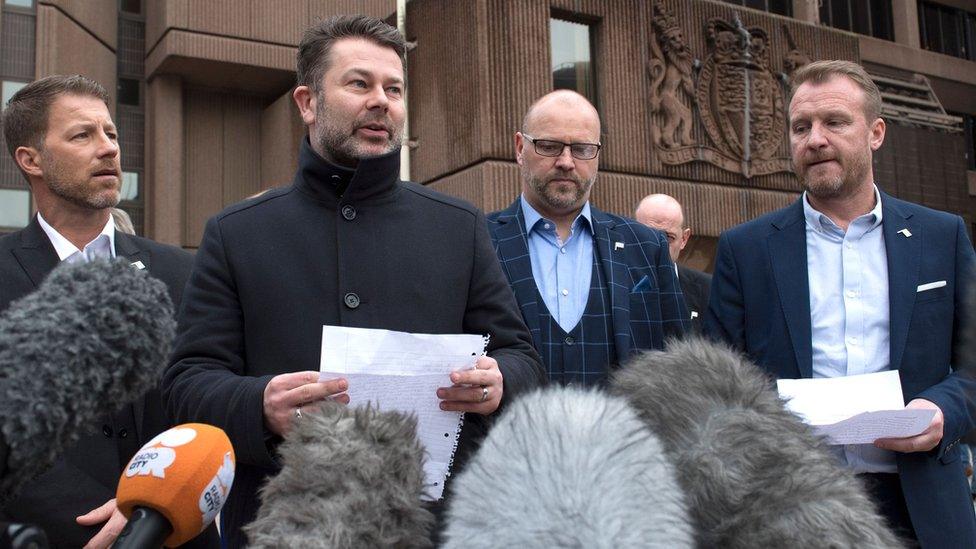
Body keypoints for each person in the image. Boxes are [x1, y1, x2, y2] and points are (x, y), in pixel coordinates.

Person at [161, 15, 544, 546]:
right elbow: (187, 384)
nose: (381, 101)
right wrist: (260, 405)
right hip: (283, 525)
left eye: (394, 88)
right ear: (307, 102)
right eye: (359, 83)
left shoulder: (457, 226)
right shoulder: (236, 233)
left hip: (434, 525)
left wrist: (499, 380)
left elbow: (520, 355)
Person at [705, 60, 976, 546]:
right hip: (790, 510)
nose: (815, 140)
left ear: (875, 133)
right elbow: (717, 382)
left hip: (923, 508)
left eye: (834, 122)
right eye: (801, 127)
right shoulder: (745, 250)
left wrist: (942, 412)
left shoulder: (942, 237)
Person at [0, 75, 215, 548]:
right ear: (30, 159)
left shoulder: (187, 271)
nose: (109, 149)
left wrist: (151, 508)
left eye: (111, 134)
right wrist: (90, 519)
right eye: (83, 135)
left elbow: (207, 396)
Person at [486, 90, 687, 386]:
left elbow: (681, 364)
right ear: (520, 147)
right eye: (550, 146)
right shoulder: (479, 241)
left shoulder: (646, 247)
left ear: (597, 155)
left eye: (581, 149)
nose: (566, 162)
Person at [635, 193, 712, 332]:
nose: (658, 246)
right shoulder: (613, 282)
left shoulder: (708, 289)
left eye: (668, 237)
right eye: (647, 235)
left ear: (684, 239)